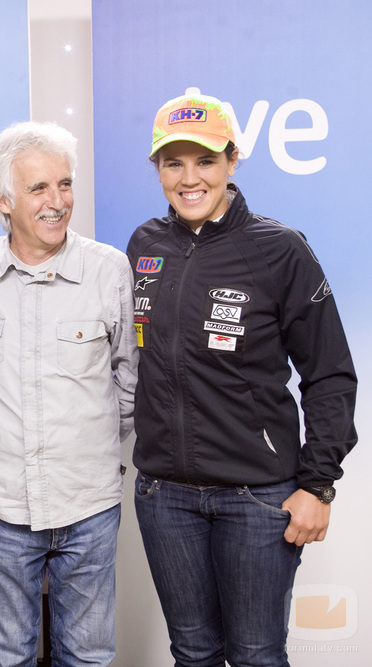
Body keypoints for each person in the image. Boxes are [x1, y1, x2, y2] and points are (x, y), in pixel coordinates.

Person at [129, 91, 358, 666]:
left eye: (205, 161)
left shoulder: (280, 250)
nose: (189, 178)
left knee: (256, 655)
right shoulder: (143, 245)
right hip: (165, 497)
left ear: (232, 161)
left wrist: (318, 484)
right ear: (157, 169)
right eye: (173, 162)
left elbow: (329, 373)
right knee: (193, 652)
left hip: (257, 497)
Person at [0, 121, 137, 666]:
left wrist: (96, 449)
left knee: (87, 655)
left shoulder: (109, 269)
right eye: (39, 189)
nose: (57, 201)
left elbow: (129, 379)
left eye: (64, 184)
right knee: (4, 656)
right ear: (2, 202)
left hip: (88, 504)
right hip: (1, 506)